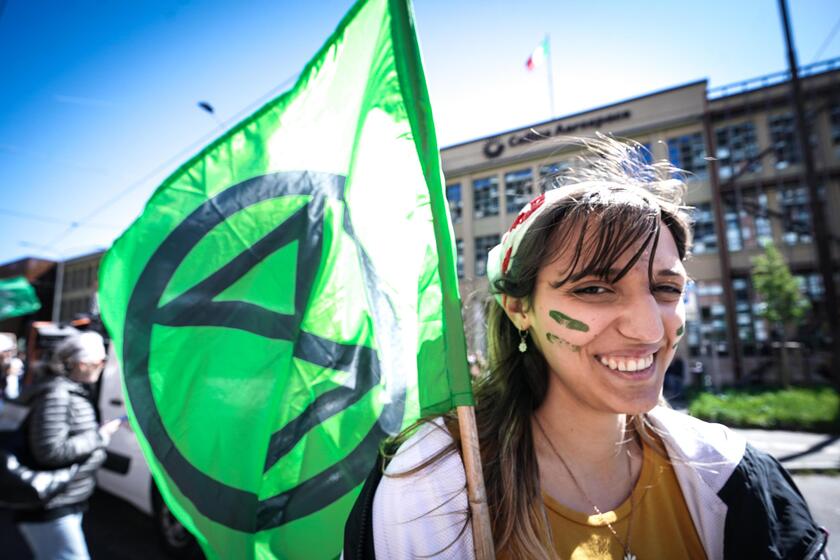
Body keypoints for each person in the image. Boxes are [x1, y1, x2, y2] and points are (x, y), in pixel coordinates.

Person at [344, 137, 828, 559]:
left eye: (665, 289)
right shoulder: (431, 487)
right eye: (594, 289)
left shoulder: (731, 475)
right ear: (519, 308)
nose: (646, 330)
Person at [13, 331, 122, 560]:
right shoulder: (57, 394)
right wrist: (100, 436)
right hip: (51, 504)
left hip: (62, 499)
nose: (103, 366)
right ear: (81, 364)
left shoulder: (65, 391)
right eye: (101, 361)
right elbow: (50, 451)